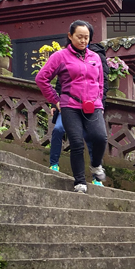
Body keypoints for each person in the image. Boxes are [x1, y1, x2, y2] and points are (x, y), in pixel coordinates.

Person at [35, 20, 108, 193]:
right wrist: (55, 99)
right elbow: (41, 78)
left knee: (100, 137)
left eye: (86, 38)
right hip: (70, 105)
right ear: (70, 36)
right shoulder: (60, 56)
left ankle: (96, 165)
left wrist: (99, 100)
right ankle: (79, 182)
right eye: (79, 37)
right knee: (76, 143)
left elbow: (100, 82)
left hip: (93, 106)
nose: (83, 41)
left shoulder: (95, 57)